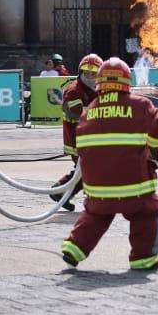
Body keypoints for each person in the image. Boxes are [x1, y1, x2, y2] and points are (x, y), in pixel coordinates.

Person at [60, 57, 158, 270]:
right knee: (147, 214)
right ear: (126, 81)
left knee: (96, 215)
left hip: (98, 186)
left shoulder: (90, 109)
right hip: (134, 186)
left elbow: (81, 144)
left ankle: (73, 249)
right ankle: (143, 259)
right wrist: (152, 147)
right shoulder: (140, 104)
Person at [50, 54, 102, 210]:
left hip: (90, 138)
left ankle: (60, 192)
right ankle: (93, 201)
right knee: (91, 169)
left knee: (85, 170)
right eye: (87, 73)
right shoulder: (74, 90)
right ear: (81, 72)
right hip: (77, 140)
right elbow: (77, 113)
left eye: (94, 73)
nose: (91, 77)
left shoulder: (96, 88)